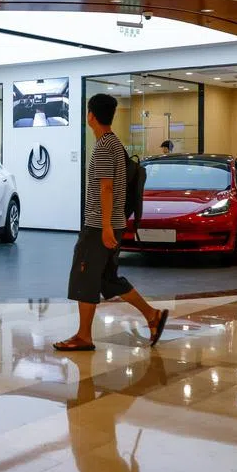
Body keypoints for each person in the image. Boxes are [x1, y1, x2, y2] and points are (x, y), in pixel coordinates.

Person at [54, 94, 168, 352]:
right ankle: (152, 316)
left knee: (83, 277)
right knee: (107, 280)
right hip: (112, 223)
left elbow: (106, 188)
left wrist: (105, 226)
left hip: (99, 226)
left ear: (90, 116)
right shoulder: (114, 144)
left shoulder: (105, 146)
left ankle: (84, 336)